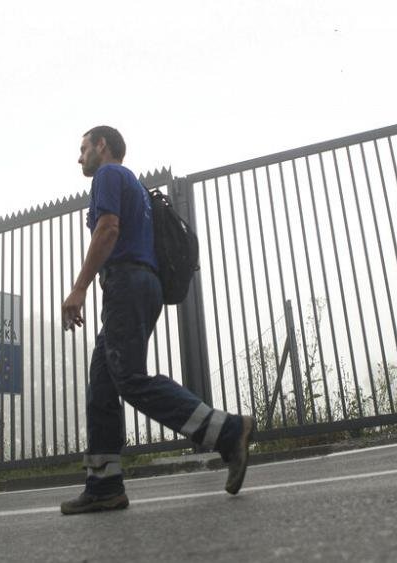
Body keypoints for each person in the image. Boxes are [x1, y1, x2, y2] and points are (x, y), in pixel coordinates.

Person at [60, 125, 255, 514]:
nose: (79, 157)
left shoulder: (109, 174)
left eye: (83, 148)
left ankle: (228, 431)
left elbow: (108, 229)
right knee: (102, 385)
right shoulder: (135, 186)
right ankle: (104, 485)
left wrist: (79, 287)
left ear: (102, 145)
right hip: (142, 285)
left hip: (127, 284)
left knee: (130, 378)